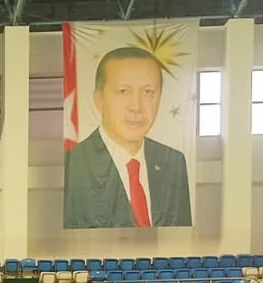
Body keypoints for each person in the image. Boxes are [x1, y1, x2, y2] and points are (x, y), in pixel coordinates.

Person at [62, 46, 193, 229]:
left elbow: (181, 236)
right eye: (123, 91)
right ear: (99, 99)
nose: (136, 107)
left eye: (148, 92)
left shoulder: (173, 162)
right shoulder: (72, 165)